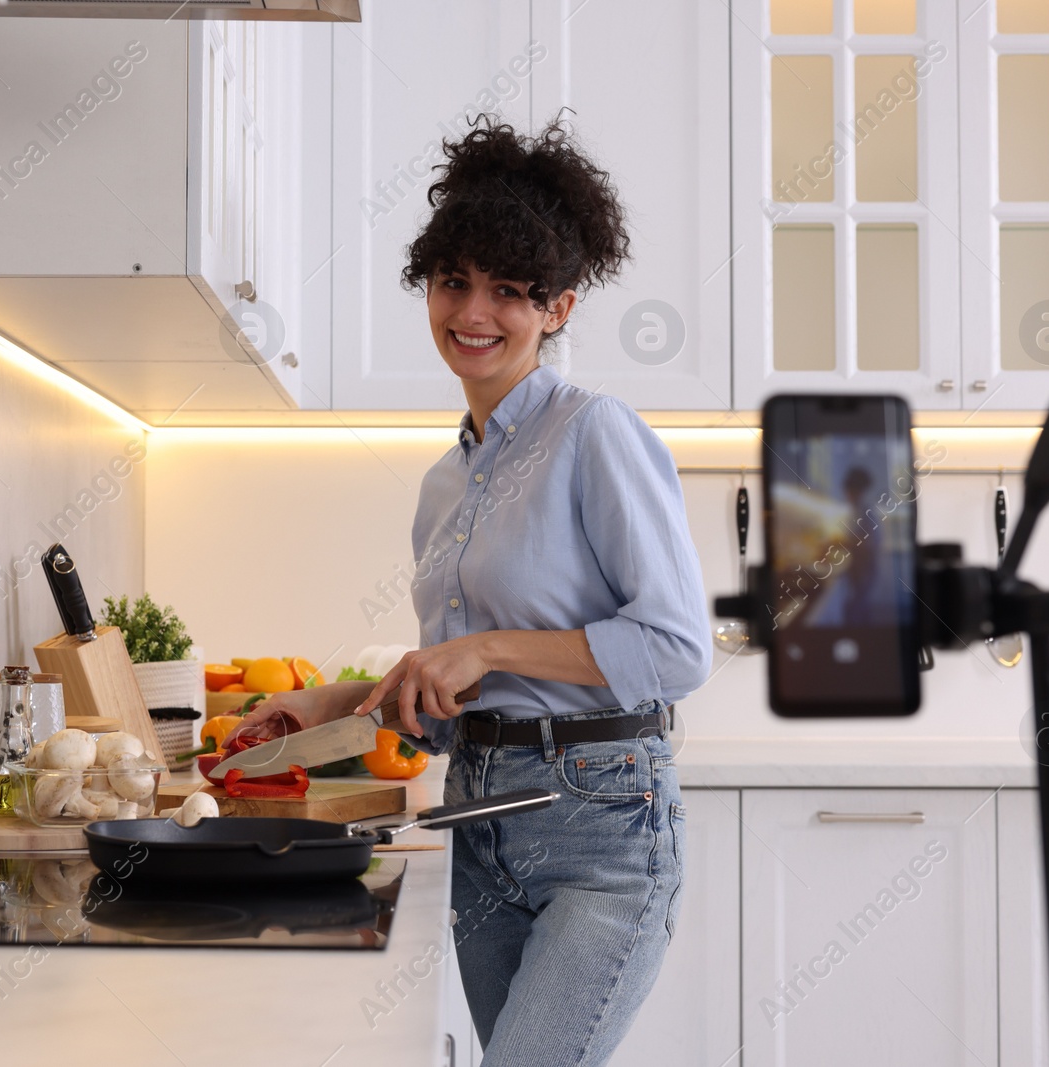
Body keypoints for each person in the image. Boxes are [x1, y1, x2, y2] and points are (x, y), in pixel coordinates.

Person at [232, 115, 712, 1067]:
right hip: (478, 817)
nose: (473, 312)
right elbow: (446, 711)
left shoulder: (595, 434)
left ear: (560, 308)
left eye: (509, 291)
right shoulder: (445, 485)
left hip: (604, 830)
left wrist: (490, 647)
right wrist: (329, 706)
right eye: (455, 280)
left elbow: (675, 647)